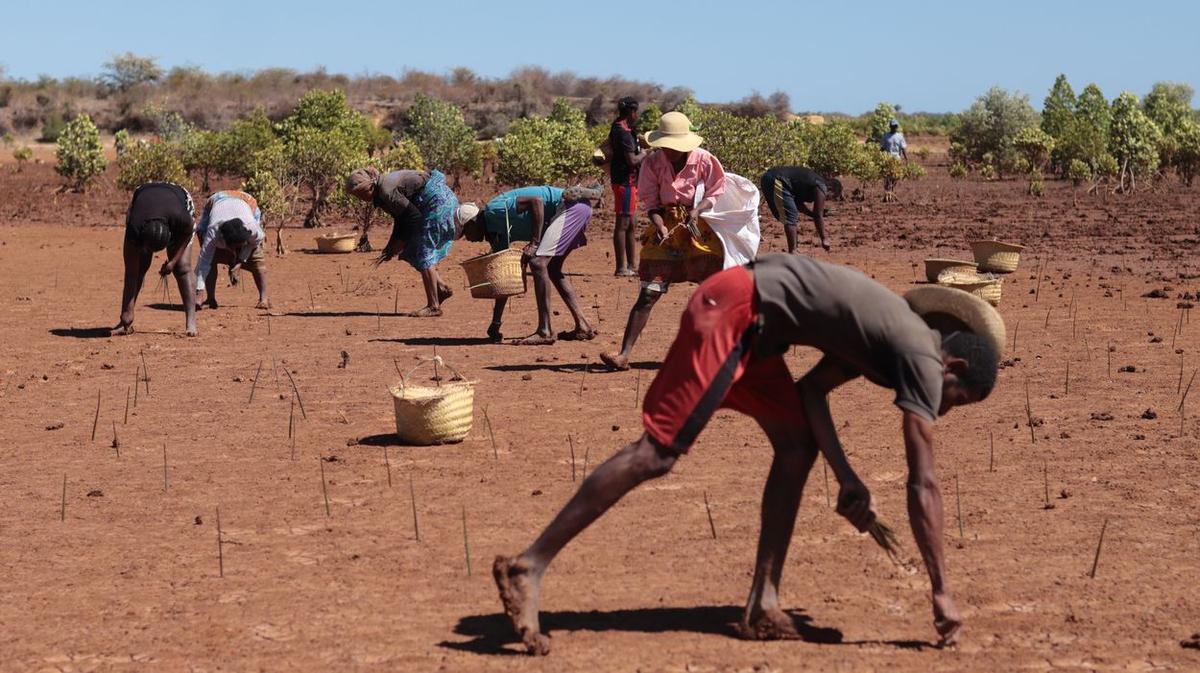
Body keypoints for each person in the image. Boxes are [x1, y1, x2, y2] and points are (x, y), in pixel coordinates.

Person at [493, 253, 1005, 655]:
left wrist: (847, 477)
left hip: (756, 328)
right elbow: (923, 482)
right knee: (657, 454)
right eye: (955, 399)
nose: (944, 409)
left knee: (797, 445)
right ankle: (529, 566)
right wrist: (940, 589)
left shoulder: (893, 340)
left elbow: (810, 394)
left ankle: (764, 602)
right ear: (952, 364)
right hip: (736, 310)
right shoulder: (919, 353)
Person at [599, 111, 726, 371]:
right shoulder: (653, 163)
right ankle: (623, 354)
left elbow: (717, 189)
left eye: (672, 147)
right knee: (648, 293)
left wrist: (698, 209)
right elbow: (650, 201)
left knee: (712, 294)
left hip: (698, 229)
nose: (668, 151)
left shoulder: (704, 160)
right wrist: (659, 225)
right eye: (665, 146)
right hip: (665, 227)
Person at [459, 185, 602, 344]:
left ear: (473, 222)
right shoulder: (496, 235)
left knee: (537, 262)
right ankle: (583, 325)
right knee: (552, 269)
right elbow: (504, 281)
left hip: (571, 206)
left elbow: (536, 201)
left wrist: (534, 243)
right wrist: (495, 323)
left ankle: (544, 330)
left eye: (466, 232)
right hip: (572, 210)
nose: (468, 238)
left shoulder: (494, 210)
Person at [345, 167, 478, 317]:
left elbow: (412, 216)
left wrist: (398, 243)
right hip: (434, 201)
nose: (361, 198)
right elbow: (400, 217)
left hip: (436, 204)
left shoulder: (386, 191)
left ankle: (434, 306)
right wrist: (391, 245)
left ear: (370, 187)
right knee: (414, 249)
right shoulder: (383, 189)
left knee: (423, 251)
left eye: (361, 194)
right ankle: (441, 288)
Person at [114, 181, 198, 336]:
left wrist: (173, 262)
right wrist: (126, 315)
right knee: (138, 268)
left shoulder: (182, 219)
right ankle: (125, 320)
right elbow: (131, 273)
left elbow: (188, 233)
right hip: (144, 194)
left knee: (183, 268)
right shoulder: (134, 227)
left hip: (178, 196)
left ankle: (191, 322)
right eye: (148, 249)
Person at [194, 190, 269, 311]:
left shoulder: (253, 229)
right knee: (210, 259)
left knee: (257, 260)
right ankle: (210, 298)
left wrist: (240, 261)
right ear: (224, 241)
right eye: (233, 247)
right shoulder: (213, 232)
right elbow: (203, 262)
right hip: (216, 200)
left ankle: (264, 299)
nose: (236, 250)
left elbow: (254, 243)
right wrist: (198, 293)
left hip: (247, 201)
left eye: (240, 246)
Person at [760, 166, 842, 253]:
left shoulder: (810, 183)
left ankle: (794, 249)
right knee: (791, 215)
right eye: (830, 196)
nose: (826, 198)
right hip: (777, 179)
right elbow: (818, 215)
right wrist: (824, 238)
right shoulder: (821, 186)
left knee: (790, 213)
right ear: (830, 189)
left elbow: (797, 204)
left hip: (769, 178)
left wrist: (811, 214)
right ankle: (793, 251)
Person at [608, 97, 644, 276]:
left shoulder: (624, 129)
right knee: (623, 223)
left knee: (631, 223)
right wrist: (645, 153)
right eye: (636, 112)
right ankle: (621, 267)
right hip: (625, 182)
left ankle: (632, 265)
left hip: (628, 182)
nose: (637, 115)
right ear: (631, 112)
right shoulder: (622, 132)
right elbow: (632, 160)